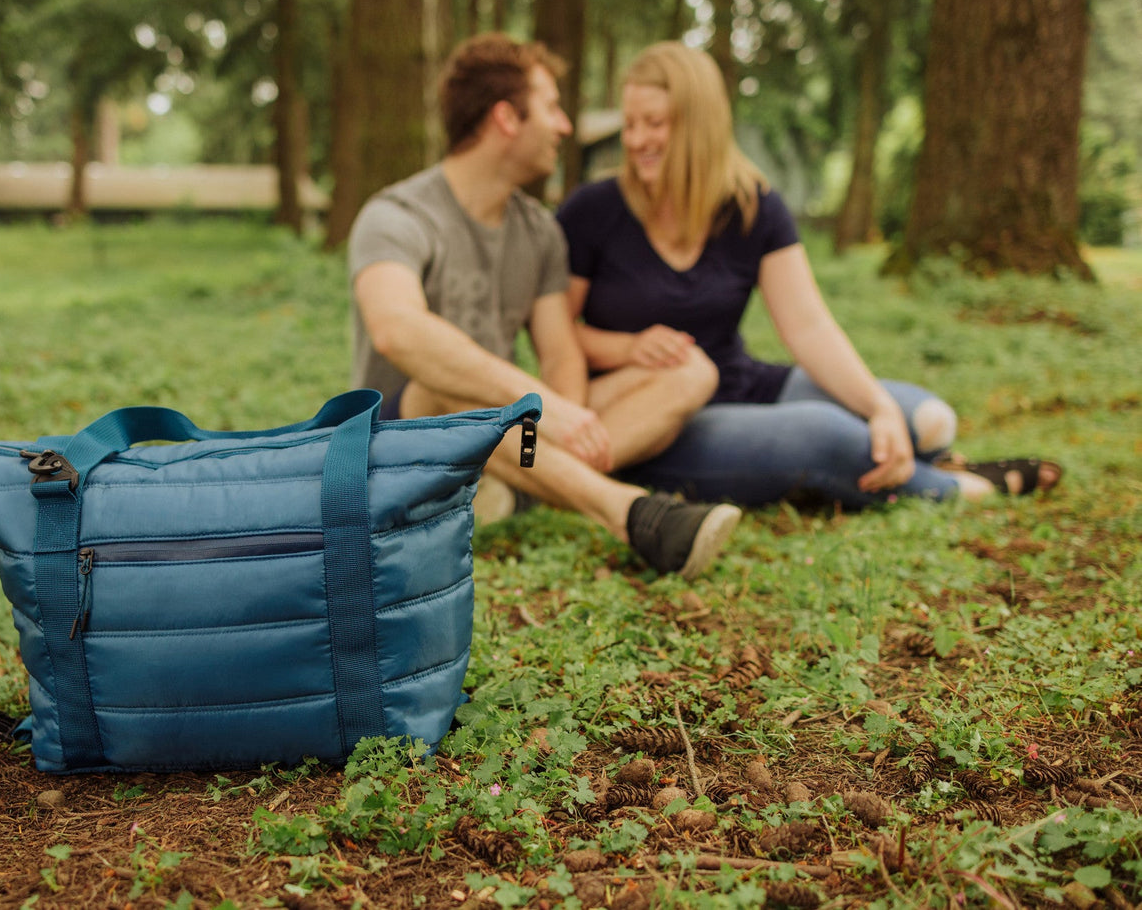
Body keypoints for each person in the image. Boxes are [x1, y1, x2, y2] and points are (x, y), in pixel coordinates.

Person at [556, 42, 1061, 510]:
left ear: (697, 124)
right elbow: (558, 335)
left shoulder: (753, 207)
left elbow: (808, 327)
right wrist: (627, 347)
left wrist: (879, 406)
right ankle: (955, 488)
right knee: (834, 438)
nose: (637, 140)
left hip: (740, 381)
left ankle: (931, 458)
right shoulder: (592, 212)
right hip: (649, 413)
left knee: (926, 420)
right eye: (630, 125)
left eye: (654, 123)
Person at [347, 33, 741, 579]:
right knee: (442, 384)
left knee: (690, 371)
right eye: (552, 108)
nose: (565, 126)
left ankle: (525, 483)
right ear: (507, 118)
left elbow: (559, 354)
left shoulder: (538, 232)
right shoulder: (395, 215)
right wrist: (536, 407)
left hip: (503, 437)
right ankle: (629, 512)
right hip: (401, 441)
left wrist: (561, 415)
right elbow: (398, 331)